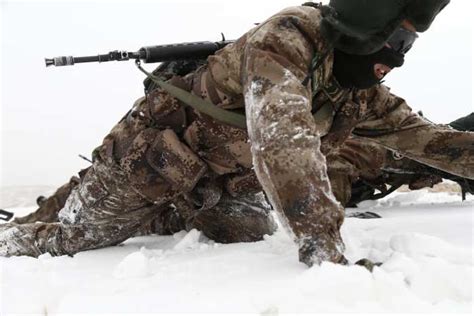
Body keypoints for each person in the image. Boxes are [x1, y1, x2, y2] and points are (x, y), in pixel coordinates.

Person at [2, 0, 472, 267]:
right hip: (153, 160)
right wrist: (324, 250)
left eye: (410, 45)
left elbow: (433, 142)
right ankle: (13, 238)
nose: (399, 58)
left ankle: (160, 216)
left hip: (219, 183)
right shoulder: (289, 40)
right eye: (398, 41)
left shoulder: (358, 93)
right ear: (364, 29)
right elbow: (282, 142)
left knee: (248, 232)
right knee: (76, 238)